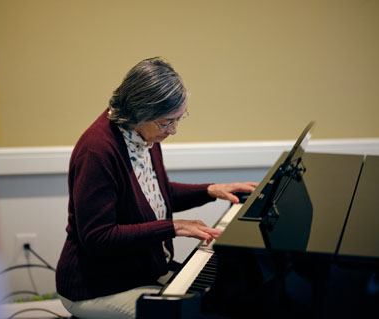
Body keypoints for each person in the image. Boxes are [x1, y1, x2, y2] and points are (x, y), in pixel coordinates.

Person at [56, 57, 258, 319]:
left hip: (142, 271)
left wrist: (211, 190)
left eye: (178, 119)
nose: (173, 130)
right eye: (167, 122)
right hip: (96, 286)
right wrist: (175, 227)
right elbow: (98, 237)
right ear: (140, 112)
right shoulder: (98, 151)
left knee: (223, 298)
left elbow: (153, 197)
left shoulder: (144, 134)